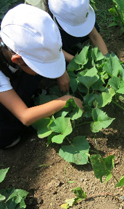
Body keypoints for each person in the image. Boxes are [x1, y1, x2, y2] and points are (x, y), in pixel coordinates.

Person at [0, 4, 82, 149]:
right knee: (7, 134)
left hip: (13, 71)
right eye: (37, 65)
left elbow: (48, 48)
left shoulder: (20, 31)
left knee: (32, 75)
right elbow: (25, 116)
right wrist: (65, 101)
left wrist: (61, 71)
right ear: (18, 60)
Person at [41, 0, 108, 63]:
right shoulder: (45, 24)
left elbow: (94, 36)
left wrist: (107, 59)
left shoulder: (78, 6)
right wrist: (79, 63)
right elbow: (57, 50)